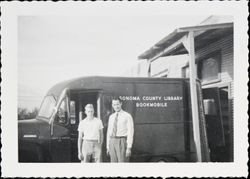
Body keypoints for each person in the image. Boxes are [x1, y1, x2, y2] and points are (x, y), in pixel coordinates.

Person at [106, 97, 134, 162]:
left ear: (121, 104)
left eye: (117, 104)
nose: (116, 106)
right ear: (112, 105)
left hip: (122, 141)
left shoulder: (127, 116)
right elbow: (109, 132)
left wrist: (129, 147)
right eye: (114, 105)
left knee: (122, 164)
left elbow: (130, 132)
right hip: (112, 142)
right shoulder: (111, 117)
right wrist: (108, 146)